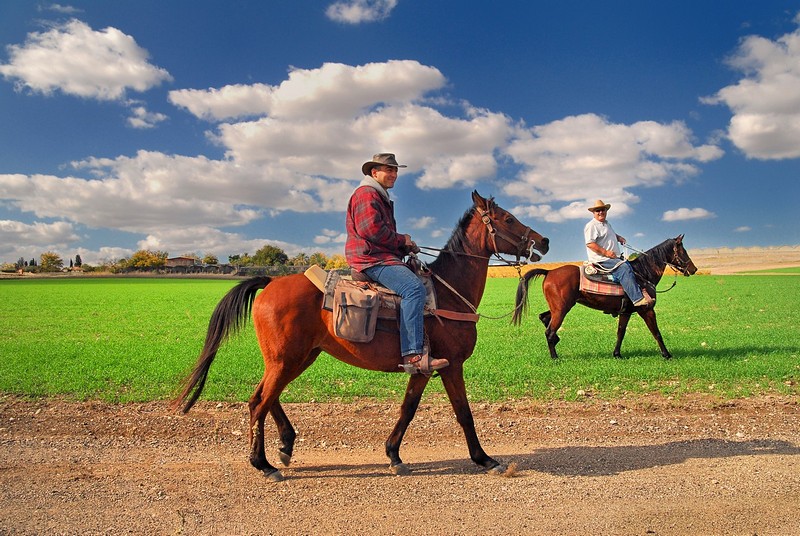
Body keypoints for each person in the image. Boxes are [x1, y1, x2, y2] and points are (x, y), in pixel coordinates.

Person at [345, 153, 449, 374]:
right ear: (375, 172)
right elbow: (371, 230)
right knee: (414, 289)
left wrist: (404, 247)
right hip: (371, 260)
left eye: (395, 170)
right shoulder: (367, 194)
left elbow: (380, 236)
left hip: (378, 256)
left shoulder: (378, 195)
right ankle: (412, 356)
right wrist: (402, 240)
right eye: (388, 170)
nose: (393, 174)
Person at [584, 199, 654, 307]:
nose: (601, 212)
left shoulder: (606, 224)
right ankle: (637, 299)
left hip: (612, 258)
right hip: (602, 259)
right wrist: (606, 252)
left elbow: (609, 234)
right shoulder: (592, 225)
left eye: (603, 210)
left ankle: (631, 294)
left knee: (631, 267)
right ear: (593, 213)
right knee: (624, 268)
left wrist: (618, 237)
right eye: (598, 210)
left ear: (606, 211)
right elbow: (590, 244)